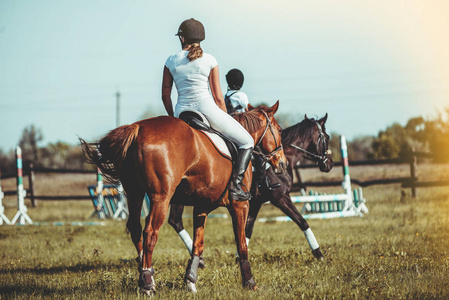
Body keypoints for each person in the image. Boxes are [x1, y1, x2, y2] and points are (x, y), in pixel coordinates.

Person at [161, 18, 254, 201]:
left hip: (181, 112)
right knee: (247, 141)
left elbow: (165, 95)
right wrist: (226, 118)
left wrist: (173, 117)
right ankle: (235, 186)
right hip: (206, 110)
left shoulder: (171, 60)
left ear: (182, 38)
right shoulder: (210, 60)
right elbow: (219, 97)